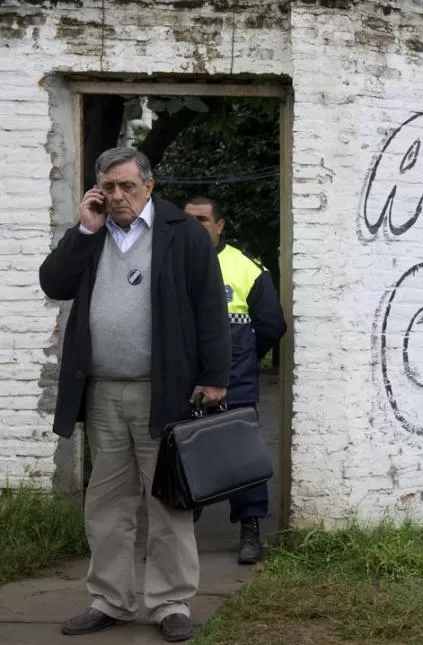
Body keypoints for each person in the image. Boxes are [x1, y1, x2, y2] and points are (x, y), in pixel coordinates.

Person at [39, 148, 230, 642]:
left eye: (126, 186)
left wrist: (214, 376)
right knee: (106, 503)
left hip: (163, 391)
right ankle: (110, 599)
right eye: (108, 186)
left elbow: (210, 307)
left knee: (167, 501)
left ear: (149, 185)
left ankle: (170, 603)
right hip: (102, 391)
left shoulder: (182, 233)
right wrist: (84, 229)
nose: (117, 196)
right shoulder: (92, 232)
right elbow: (53, 282)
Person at [183, 196, 286, 565]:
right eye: (188, 219)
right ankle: (179, 536)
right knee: (183, 457)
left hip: (234, 381)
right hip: (183, 382)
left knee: (241, 458)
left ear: (220, 224)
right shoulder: (169, 262)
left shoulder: (246, 268)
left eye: (202, 220)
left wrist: (239, 359)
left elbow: (272, 325)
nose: (195, 226)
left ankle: (250, 529)